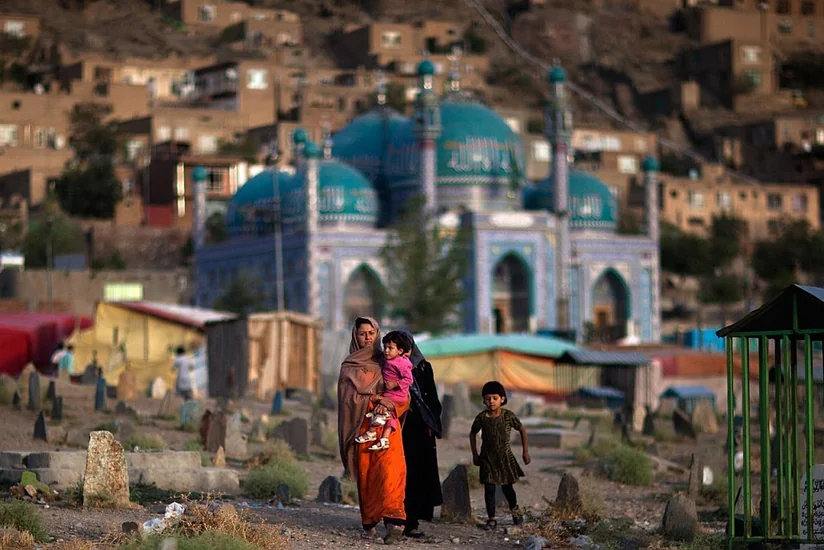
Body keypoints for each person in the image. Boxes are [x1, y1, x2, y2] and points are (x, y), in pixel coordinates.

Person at [337, 317, 408, 544]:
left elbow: (405, 395)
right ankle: (369, 523)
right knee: (368, 478)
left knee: (391, 474)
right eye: (362, 333)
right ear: (355, 336)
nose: (367, 338)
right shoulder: (349, 367)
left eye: (370, 333)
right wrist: (374, 398)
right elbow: (347, 401)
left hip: (388, 430)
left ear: (377, 334)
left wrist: (390, 403)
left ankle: (394, 522)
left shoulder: (389, 361)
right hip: (363, 429)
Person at [399, 329, 443, 539]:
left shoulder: (423, 367)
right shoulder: (389, 368)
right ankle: (397, 520)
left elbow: (432, 399)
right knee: (400, 475)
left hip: (420, 430)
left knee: (417, 476)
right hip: (398, 428)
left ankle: (412, 522)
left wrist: (432, 423)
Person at [469, 381, 530, 531]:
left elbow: (522, 429)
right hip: (487, 458)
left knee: (507, 488)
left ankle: (516, 513)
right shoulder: (482, 418)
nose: (491, 402)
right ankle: (491, 519)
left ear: (502, 399)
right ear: (484, 400)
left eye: (495, 398)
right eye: (488, 398)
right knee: (489, 489)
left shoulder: (508, 416)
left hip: (505, 458)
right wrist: (475, 454)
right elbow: (472, 433)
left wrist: (525, 451)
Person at [355, 330, 414, 451]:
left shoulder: (400, 363)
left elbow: (409, 379)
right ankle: (384, 439)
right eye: (385, 347)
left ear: (400, 351)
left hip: (395, 394)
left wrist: (394, 384)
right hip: (393, 394)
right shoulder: (388, 360)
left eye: (390, 348)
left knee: (380, 411)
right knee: (390, 416)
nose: (386, 350)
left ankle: (371, 432)